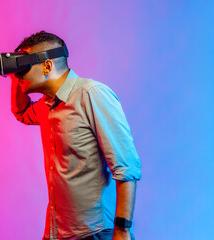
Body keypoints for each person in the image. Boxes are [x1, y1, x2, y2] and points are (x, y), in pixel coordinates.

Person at [10, 31, 141, 240]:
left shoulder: (92, 94)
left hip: (95, 232)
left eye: (23, 66)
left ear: (47, 66)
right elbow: (21, 112)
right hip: (58, 232)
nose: (18, 74)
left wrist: (123, 230)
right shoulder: (46, 105)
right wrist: (15, 72)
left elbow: (126, 166)